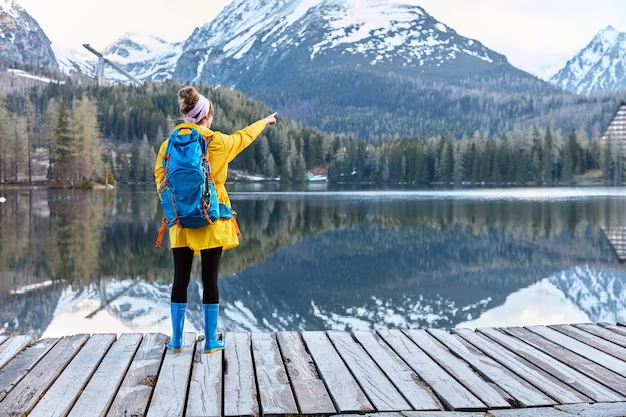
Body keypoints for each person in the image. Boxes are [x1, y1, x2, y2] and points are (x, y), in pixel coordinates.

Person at [154, 86, 277, 354]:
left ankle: (176, 341)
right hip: (211, 219)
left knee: (180, 279)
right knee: (210, 279)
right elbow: (243, 138)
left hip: (180, 224)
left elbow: (160, 181)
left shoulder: (168, 144)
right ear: (207, 116)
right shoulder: (216, 141)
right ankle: (210, 341)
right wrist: (264, 122)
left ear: (186, 116)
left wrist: (176, 209)